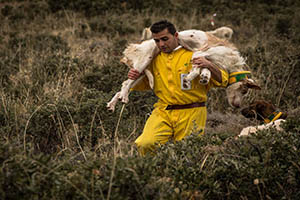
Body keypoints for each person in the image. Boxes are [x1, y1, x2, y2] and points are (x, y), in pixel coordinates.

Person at [128, 20, 229, 155]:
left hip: (193, 112)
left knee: (188, 153)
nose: (161, 44)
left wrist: (209, 65)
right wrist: (135, 75)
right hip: (163, 111)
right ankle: (152, 173)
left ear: (176, 36)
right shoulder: (153, 59)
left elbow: (223, 80)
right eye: (157, 41)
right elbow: (146, 83)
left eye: (165, 39)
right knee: (145, 143)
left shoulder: (194, 54)